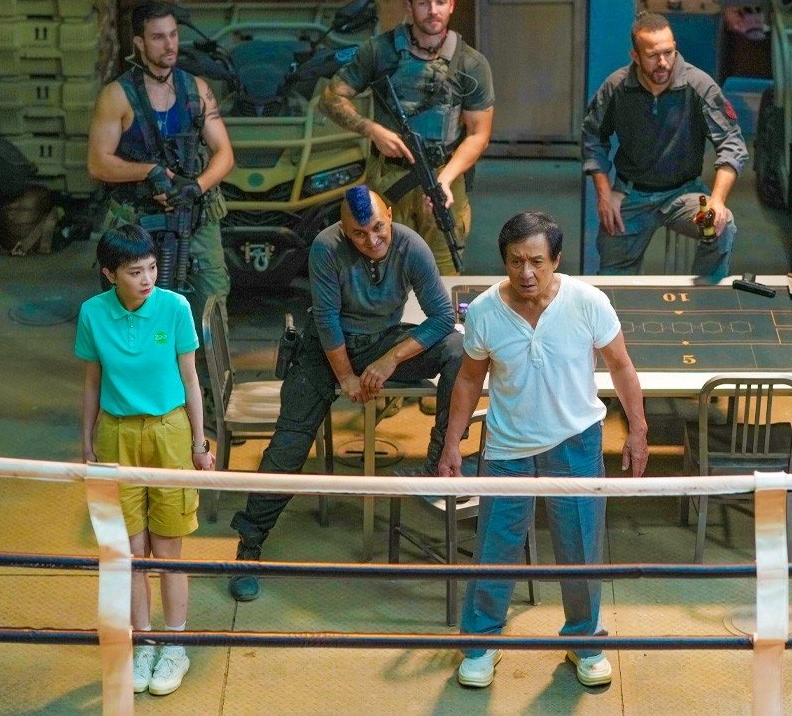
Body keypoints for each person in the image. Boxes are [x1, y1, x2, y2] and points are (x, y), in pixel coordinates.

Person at [437, 211, 648, 689]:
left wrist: (638, 429)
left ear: (556, 260)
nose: (526, 272)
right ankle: (480, 644)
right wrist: (452, 442)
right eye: (516, 261)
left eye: (536, 261)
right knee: (495, 548)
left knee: (580, 547)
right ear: (504, 261)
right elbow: (469, 379)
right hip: (507, 446)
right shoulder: (485, 311)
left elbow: (620, 365)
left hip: (576, 441)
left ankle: (586, 642)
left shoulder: (588, 302)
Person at [228, 184, 463, 600]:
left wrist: (390, 359)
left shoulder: (411, 246)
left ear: (389, 216)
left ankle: (436, 462)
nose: (371, 241)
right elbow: (328, 320)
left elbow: (443, 317)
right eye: (359, 233)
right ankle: (249, 545)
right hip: (325, 348)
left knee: (458, 351)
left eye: (378, 229)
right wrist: (347, 377)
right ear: (343, 228)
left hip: (382, 341)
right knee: (288, 447)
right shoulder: (326, 247)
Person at [75, 224, 215, 696]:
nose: (147, 279)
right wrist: (87, 444)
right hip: (116, 435)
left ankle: (176, 645)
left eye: (152, 268)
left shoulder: (175, 308)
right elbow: (92, 382)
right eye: (135, 272)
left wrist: (199, 443)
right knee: (132, 553)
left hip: (169, 432)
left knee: (169, 549)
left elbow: (191, 380)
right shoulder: (93, 314)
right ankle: (144, 643)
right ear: (109, 274)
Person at [320, 0, 494, 276]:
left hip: (442, 176)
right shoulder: (380, 51)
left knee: (443, 273)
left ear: (452, 6)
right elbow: (331, 98)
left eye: (440, 2)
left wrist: (445, 179)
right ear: (410, 5)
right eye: (424, 2)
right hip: (389, 177)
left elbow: (478, 134)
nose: (433, 11)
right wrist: (371, 129)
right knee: (382, 270)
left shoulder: (470, 63)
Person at [88, 0, 235, 331]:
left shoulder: (197, 89)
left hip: (195, 215)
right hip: (139, 217)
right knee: (133, 309)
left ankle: (203, 365)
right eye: (158, 37)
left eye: (173, 35)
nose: (170, 45)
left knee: (211, 303)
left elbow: (224, 153)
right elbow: (98, 163)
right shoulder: (117, 96)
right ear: (139, 42)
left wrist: (196, 186)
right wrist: (149, 171)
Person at [582, 11, 748, 284]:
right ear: (635, 56)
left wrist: (717, 200)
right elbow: (593, 137)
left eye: (668, 53)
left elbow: (731, 142)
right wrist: (604, 194)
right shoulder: (616, 87)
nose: (663, 63)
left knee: (723, 224)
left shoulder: (699, 85)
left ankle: (706, 297)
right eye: (652, 56)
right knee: (613, 283)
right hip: (631, 193)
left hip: (684, 192)